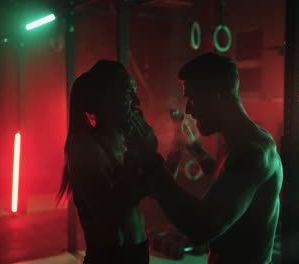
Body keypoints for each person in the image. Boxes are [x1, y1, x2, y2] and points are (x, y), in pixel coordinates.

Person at [142, 53, 283, 264]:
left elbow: (203, 227)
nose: (188, 110)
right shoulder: (237, 143)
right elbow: (226, 180)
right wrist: (193, 147)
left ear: (216, 96)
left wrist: (152, 166)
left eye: (192, 99)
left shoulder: (253, 152)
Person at [57, 60, 157, 264]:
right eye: (129, 93)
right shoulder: (86, 149)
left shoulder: (122, 141)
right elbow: (111, 214)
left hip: (135, 253)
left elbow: (150, 188)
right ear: (106, 99)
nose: (137, 100)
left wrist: (175, 148)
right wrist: (141, 152)